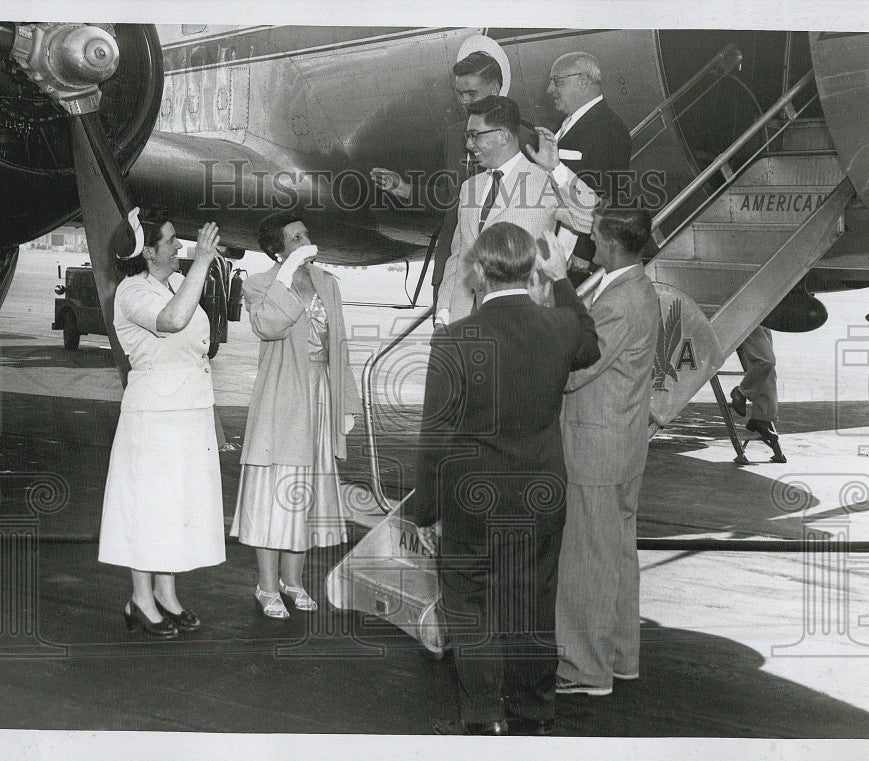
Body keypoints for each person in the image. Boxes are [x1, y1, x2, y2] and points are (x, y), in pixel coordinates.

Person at [412, 222, 600, 735]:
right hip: (540, 492)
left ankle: (485, 714)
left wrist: (423, 510)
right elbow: (590, 344)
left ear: (476, 270)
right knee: (534, 599)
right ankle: (534, 712)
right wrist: (561, 281)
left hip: (473, 495)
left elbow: (435, 437)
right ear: (532, 268)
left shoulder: (453, 340)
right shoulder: (560, 327)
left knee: (471, 603)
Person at [98, 213, 227, 640]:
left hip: (189, 413)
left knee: (177, 506)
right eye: (170, 241)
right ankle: (141, 599)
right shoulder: (132, 292)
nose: (179, 247)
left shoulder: (173, 284)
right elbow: (172, 321)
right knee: (149, 507)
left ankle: (167, 594)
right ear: (147, 252)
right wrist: (204, 264)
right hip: (155, 417)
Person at [230, 211, 362, 619]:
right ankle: (267, 587)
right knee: (275, 492)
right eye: (294, 237)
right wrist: (285, 274)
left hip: (320, 393)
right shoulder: (258, 285)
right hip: (282, 398)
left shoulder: (328, 283)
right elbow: (268, 326)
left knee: (307, 493)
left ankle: (293, 580)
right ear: (277, 248)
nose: (305, 240)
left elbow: (337, 345)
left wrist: (346, 402)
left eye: (305, 233)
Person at [554, 207, 660, 695]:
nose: (589, 242)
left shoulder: (619, 300)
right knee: (616, 555)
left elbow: (579, 370)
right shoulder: (634, 288)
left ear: (613, 244)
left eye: (594, 235)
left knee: (586, 561)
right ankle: (620, 658)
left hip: (594, 447)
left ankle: (584, 669)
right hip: (621, 444)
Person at [436, 95, 599, 327]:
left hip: (526, 325)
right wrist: (444, 314)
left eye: (475, 135)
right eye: (467, 136)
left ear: (502, 135)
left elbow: (593, 220)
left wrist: (556, 169)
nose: (468, 144)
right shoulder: (469, 187)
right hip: (467, 324)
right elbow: (459, 256)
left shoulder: (543, 180)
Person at [370, 51, 504, 310]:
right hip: (454, 272)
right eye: (459, 93)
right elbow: (450, 197)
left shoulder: (523, 135)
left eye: (472, 94)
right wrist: (404, 188)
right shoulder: (455, 135)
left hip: (501, 274)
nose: (464, 101)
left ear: (496, 89)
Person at [546, 52, 632, 276]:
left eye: (557, 81)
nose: (550, 90)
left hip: (578, 253)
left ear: (583, 81)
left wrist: (585, 251)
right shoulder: (569, 122)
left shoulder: (609, 128)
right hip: (559, 244)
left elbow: (610, 195)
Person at [730, 326, 785, 459]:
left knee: (768, 371)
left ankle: (760, 419)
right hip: (744, 314)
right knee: (766, 361)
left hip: (763, 319)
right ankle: (740, 392)